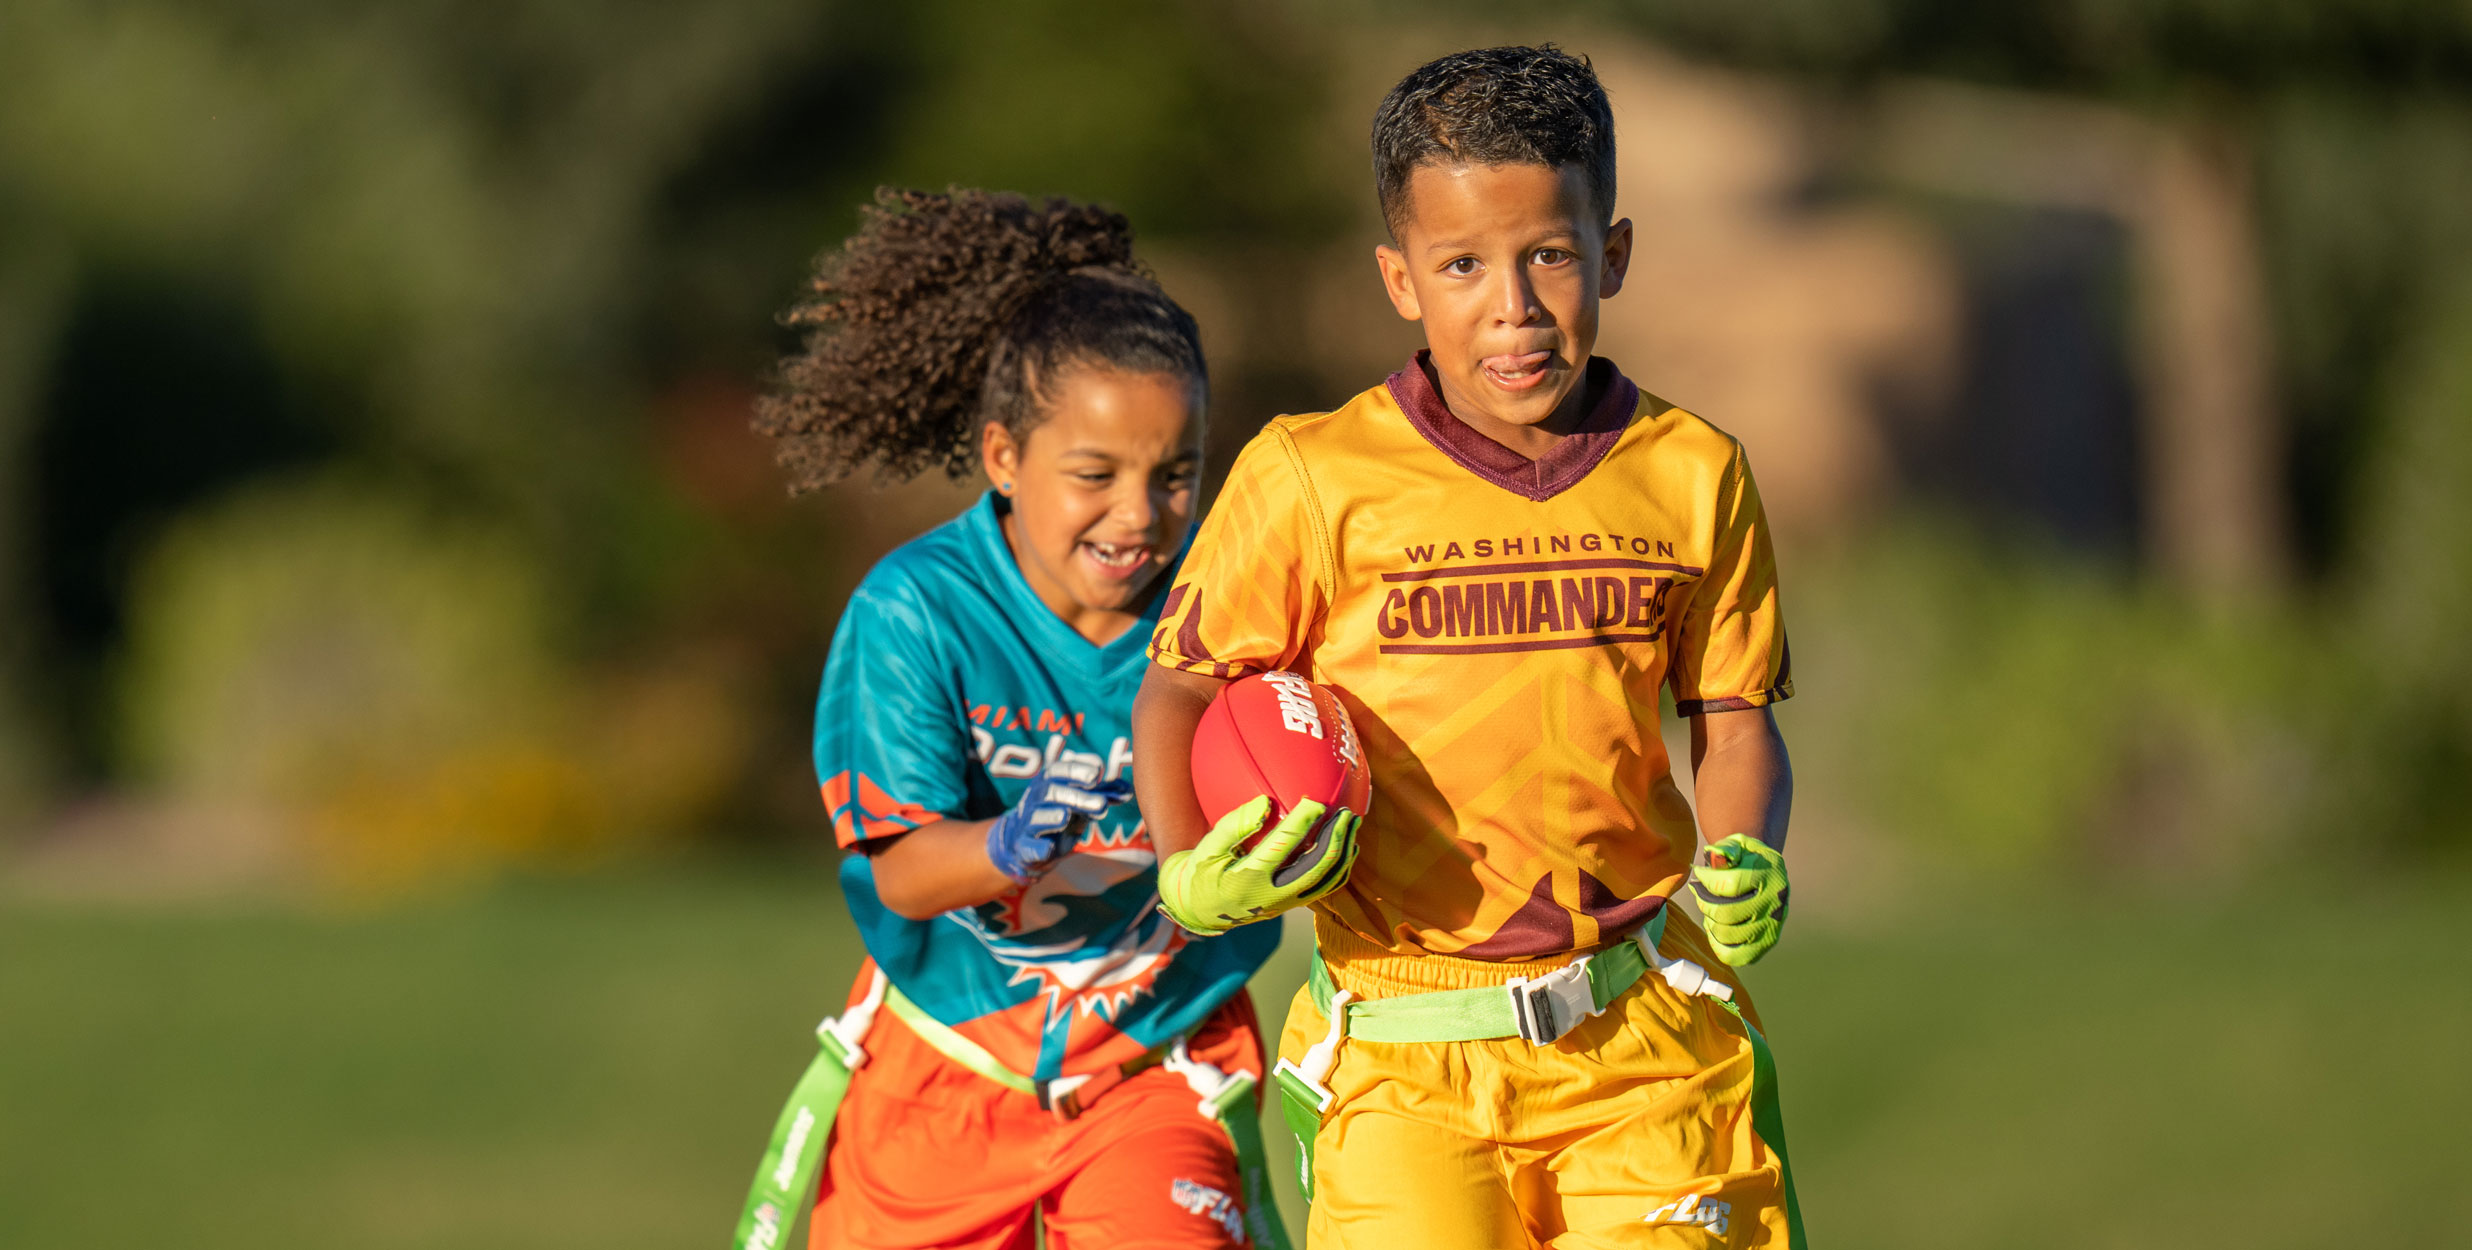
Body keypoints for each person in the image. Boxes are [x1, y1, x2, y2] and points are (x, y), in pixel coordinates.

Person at [1135, 46, 1806, 1249]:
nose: (1513, 306)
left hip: (1643, 1042)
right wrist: (1188, 868)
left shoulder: (1696, 473)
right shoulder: (1309, 477)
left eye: (1550, 253)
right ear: (1400, 278)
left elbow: (1734, 712)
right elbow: (1180, 690)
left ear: (1614, 252)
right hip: (1405, 1057)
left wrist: (1748, 842)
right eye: (1462, 265)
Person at [733, 188, 1328, 1250]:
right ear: (1004, 457)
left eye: (1176, 475)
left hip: (1155, 1066)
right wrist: (1005, 845)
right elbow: (903, 873)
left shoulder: (1235, 612)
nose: (1139, 513)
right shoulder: (916, 610)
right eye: (1095, 474)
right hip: (942, 1065)